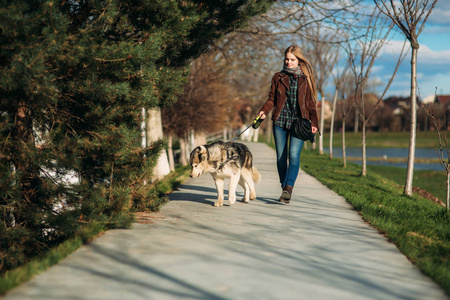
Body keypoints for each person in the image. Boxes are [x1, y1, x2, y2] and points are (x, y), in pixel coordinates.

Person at [257, 45, 319, 204]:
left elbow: (311, 103)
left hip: (299, 123)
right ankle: (284, 188)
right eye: (286, 59)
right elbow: (272, 99)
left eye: (292, 59)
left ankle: (288, 188)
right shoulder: (278, 77)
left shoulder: (306, 78)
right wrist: (264, 111)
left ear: (299, 61)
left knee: (293, 155)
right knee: (280, 157)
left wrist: (314, 122)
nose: (288, 62)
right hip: (280, 121)